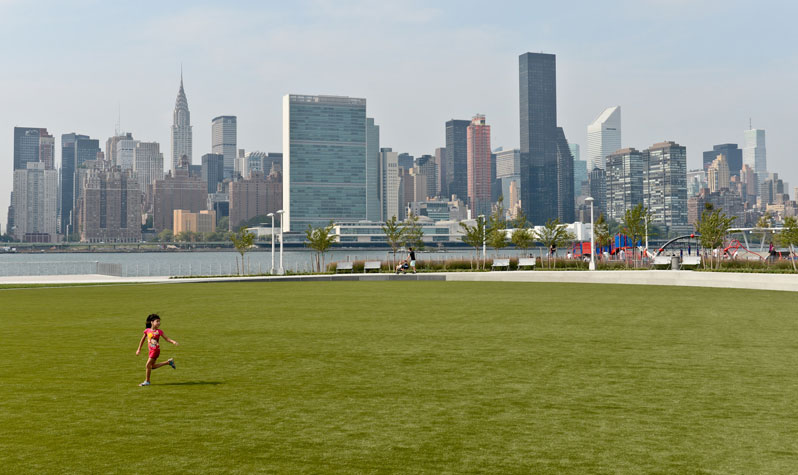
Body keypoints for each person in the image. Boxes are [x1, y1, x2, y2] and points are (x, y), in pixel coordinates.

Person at [135, 313, 178, 386]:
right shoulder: (147, 330)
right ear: (152, 322)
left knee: (148, 365)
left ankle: (147, 381)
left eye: (159, 321)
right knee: (152, 366)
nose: (159, 323)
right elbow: (142, 340)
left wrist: (173, 341)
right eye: (157, 321)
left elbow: (167, 338)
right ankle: (168, 362)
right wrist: (139, 349)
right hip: (151, 351)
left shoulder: (159, 331)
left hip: (155, 351)